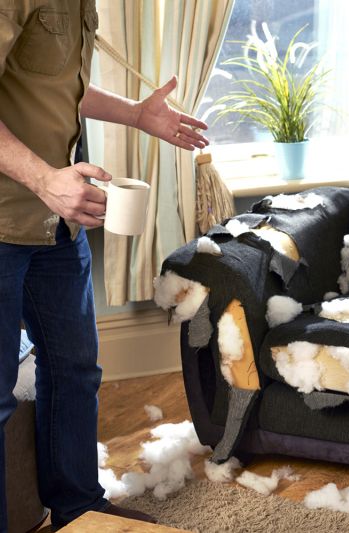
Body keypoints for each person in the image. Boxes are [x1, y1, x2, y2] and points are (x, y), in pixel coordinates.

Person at [0, 2, 209, 530]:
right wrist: (45, 179)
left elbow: (51, 82)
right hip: (5, 217)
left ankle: (77, 508)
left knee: (75, 370)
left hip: (56, 220)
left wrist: (137, 113)